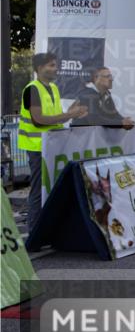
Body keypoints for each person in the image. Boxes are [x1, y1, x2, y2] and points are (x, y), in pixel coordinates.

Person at [19, 52, 89, 234]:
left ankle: (48, 230)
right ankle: (34, 233)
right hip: (36, 148)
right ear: (39, 68)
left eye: (55, 65)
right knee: (37, 192)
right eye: (51, 65)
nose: (55, 68)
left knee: (50, 189)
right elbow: (39, 120)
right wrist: (69, 114)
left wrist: (72, 111)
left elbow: (54, 117)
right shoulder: (32, 89)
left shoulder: (53, 88)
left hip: (52, 147)